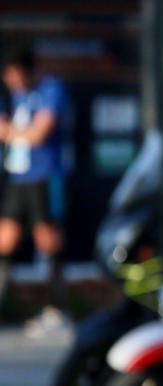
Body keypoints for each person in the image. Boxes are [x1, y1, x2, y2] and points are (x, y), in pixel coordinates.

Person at [0, 46, 69, 333]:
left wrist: (12, 133)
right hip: (19, 178)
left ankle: (57, 309)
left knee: (47, 240)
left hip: (45, 176)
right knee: (5, 240)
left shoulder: (51, 89)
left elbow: (40, 133)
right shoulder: (14, 95)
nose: (12, 82)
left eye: (15, 76)